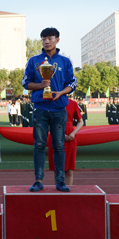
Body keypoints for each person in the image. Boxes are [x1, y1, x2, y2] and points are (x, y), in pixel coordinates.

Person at [22, 27, 77, 192]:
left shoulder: (65, 61)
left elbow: (72, 83)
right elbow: (25, 82)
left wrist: (61, 92)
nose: (46, 41)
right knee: (39, 145)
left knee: (59, 145)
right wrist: (41, 85)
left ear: (57, 40)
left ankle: (60, 181)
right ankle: (38, 181)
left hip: (59, 109)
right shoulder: (34, 61)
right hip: (40, 108)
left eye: (50, 38)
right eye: (43, 39)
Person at [64, 98, 83, 185]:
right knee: (58, 170)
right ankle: (58, 191)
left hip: (70, 136)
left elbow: (81, 121)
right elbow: (48, 123)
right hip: (57, 136)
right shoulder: (52, 102)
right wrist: (59, 133)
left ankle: (68, 191)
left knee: (69, 170)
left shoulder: (73, 103)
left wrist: (73, 133)